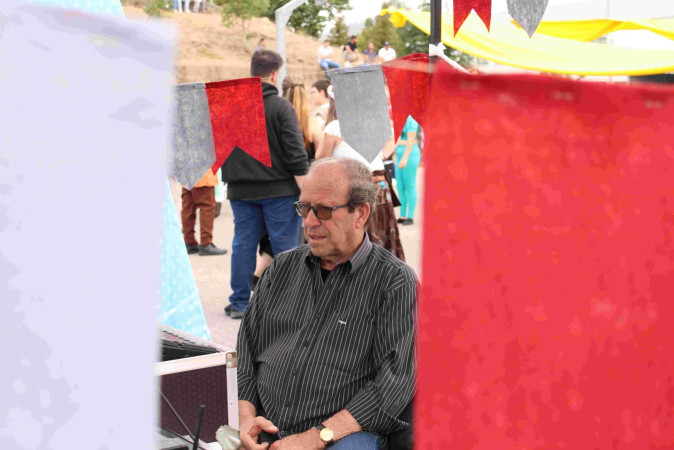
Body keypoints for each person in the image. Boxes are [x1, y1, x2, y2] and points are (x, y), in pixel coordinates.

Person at [236, 157, 416, 450]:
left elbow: (394, 384)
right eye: (304, 208)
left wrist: (314, 438)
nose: (309, 222)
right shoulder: (281, 268)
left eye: (323, 211)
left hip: (342, 436)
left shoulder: (393, 282)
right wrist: (245, 418)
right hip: (265, 428)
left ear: (360, 214)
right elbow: (245, 351)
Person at [220, 49, 309, 319]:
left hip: (240, 190)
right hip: (279, 191)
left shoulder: (230, 106)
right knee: (285, 249)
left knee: (243, 245)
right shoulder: (281, 107)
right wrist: (306, 189)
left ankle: (239, 302)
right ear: (274, 74)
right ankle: (288, 306)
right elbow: (295, 153)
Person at [315, 89, 406, 261]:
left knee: (361, 238)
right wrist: (381, 156)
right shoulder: (371, 122)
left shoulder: (335, 127)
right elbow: (394, 133)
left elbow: (320, 159)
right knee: (380, 234)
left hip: (356, 187)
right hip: (378, 184)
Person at [181, 170, 228, 256]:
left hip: (186, 173)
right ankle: (206, 243)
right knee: (207, 207)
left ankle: (189, 242)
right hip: (203, 173)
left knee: (188, 208)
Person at [394, 116, 421, 226]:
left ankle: (410, 216)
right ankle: (402, 215)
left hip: (410, 156)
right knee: (400, 186)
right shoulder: (399, 118)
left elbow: (410, 141)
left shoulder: (412, 120)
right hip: (400, 155)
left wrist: (405, 158)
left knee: (410, 186)